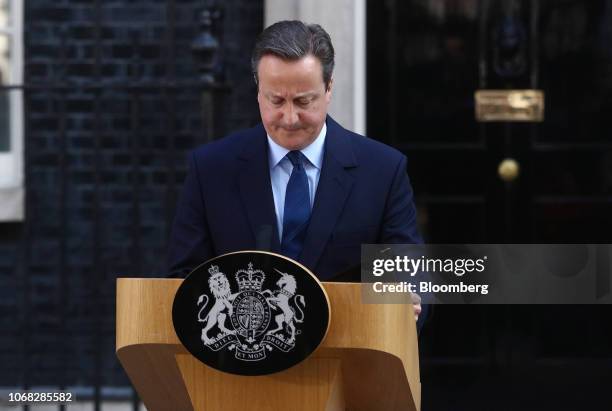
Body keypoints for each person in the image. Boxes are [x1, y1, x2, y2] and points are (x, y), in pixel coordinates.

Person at [168, 20, 425, 325]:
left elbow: (411, 279)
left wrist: (405, 306)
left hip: (349, 362)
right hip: (240, 364)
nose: (289, 118)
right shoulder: (210, 169)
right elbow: (184, 279)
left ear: (328, 88)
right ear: (257, 90)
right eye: (276, 100)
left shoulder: (383, 170)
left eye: (304, 101)